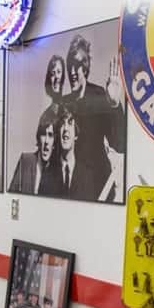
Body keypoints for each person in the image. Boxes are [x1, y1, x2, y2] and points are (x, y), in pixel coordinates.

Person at [63, 34, 125, 199]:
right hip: (70, 189)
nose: (72, 71)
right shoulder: (64, 104)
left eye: (77, 65)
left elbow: (120, 144)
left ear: (85, 68)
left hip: (98, 189)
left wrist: (114, 104)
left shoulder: (100, 97)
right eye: (70, 65)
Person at [8, 104, 59, 194]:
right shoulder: (26, 160)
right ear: (39, 137)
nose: (46, 141)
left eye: (50, 135)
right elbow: (12, 194)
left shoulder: (57, 170)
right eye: (43, 134)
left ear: (55, 141)